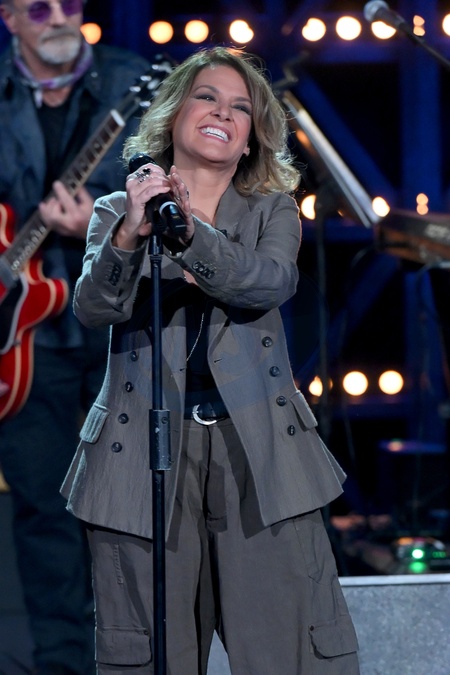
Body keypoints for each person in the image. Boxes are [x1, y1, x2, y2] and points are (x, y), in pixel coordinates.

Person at [61, 46, 360, 674]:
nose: (222, 112)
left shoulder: (273, 210)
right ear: (173, 114)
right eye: (206, 97)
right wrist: (130, 236)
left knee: (287, 653)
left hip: (259, 452)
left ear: (252, 138)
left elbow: (267, 282)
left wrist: (190, 235)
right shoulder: (116, 212)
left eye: (240, 108)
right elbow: (94, 307)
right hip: (142, 455)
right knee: (150, 654)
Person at [0, 1, 152, 673]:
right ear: (9, 18)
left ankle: (136, 657)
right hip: (25, 344)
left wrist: (105, 218)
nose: (59, 17)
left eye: (71, 4)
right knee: (45, 513)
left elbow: (173, 178)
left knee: (130, 509)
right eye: (40, 7)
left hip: (120, 321)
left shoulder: (131, 82)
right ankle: (61, 663)